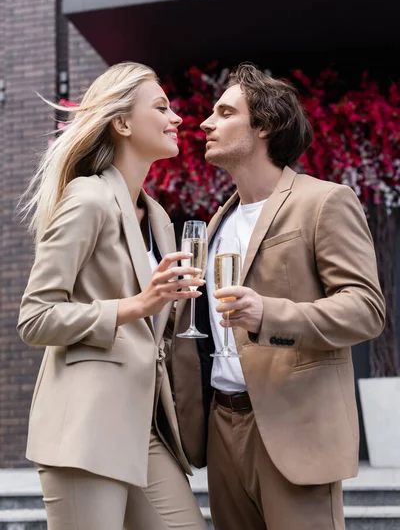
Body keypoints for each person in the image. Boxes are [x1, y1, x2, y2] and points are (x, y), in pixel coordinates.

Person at [172, 63, 385, 530]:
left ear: (264, 125)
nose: (206, 123)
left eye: (224, 112)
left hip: (294, 431)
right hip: (222, 426)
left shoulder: (325, 201)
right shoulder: (214, 226)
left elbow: (366, 309)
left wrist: (269, 313)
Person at [17, 62, 207, 530]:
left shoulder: (159, 218)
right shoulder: (87, 198)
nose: (177, 118)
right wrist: (138, 305)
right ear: (121, 123)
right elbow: (35, 317)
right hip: (87, 425)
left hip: (146, 427)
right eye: (161, 107)